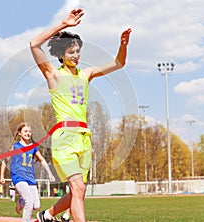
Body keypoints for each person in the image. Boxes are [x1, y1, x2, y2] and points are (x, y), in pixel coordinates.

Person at [30, 8, 131, 222]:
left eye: (77, 51)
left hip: (84, 139)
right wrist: (63, 25)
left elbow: (118, 64)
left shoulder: (86, 74)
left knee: (80, 190)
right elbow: (34, 44)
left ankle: (46, 216)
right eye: (70, 52)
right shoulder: (53, 75)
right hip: (64, 138)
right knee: (76, 186)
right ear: (61, 55)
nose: (76, 56)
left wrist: (123, 45)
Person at [0, 123, 56, 222]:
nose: (28, 133)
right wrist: (2, 176)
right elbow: (5, 160)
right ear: (20, 133)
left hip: (30, 178)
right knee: (29, 201)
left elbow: (42, 160)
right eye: (25, 131)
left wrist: (50, 173)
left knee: (36, 205)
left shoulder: (33, 147)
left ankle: (20, 202)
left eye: (29, 131)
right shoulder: (15, 146)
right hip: (18, 177)